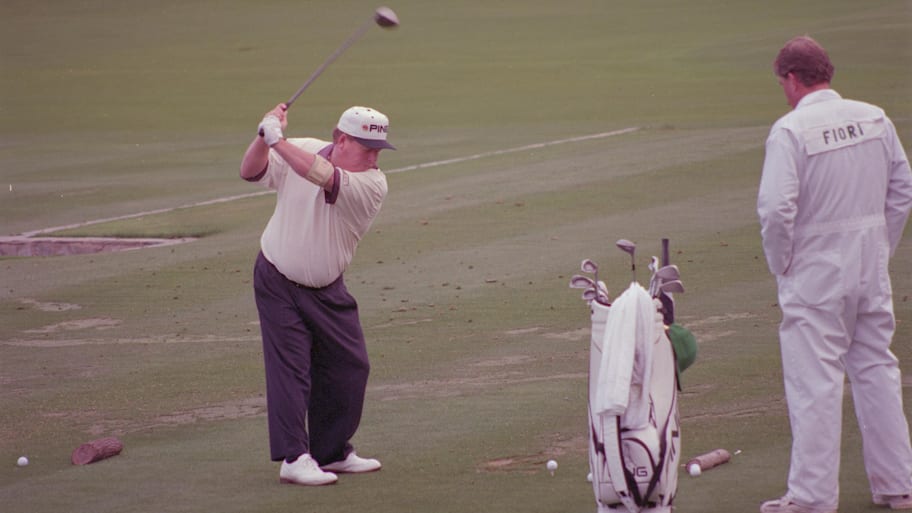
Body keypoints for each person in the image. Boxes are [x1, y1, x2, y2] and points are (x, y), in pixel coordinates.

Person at [757, 35, 912, 513]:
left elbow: (775, 211)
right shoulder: (874, 117)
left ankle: (812, 497)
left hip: (815, 274)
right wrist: (880, 247)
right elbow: (902, 190)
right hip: (868, 267)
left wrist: (782, 263)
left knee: (814, 382)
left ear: (790, 79)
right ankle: (899, 486)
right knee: (876, 370)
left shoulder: (790, 130)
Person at [240, 103, 394, 486]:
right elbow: (250, 171)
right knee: (292, 369)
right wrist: (263, 138)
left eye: (378, 150)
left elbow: (321, 174)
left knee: (350, 367)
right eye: (366, 148)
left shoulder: (372, 184)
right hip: (277, 277)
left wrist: (280, 141)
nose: (374, 158)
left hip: (328, 287)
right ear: (341, 140)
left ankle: (332, 451)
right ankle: (294, 457)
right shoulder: (305, 147)